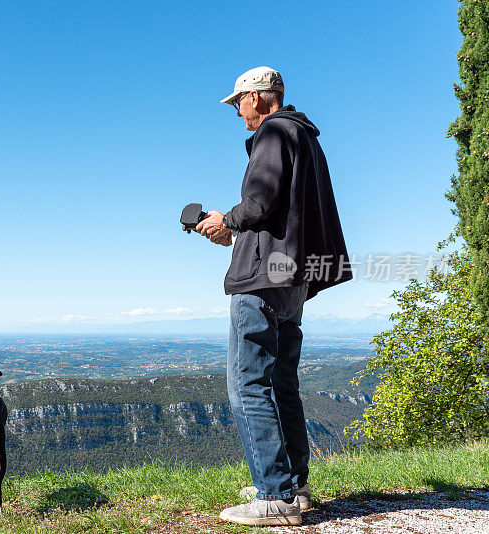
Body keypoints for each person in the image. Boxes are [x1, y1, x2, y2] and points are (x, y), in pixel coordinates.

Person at [195, 66, 352, 526]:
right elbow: (286, 210)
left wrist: (227, 220)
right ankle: (293, 485)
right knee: (283, 383)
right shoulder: (306, 137)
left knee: (247, 384)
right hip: (293, 278)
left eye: (238, 102)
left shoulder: (272, 133)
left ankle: (274, 497)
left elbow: (260, 202)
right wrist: (235, 228)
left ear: (259, 97)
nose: (237, 112)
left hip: (262, 279)